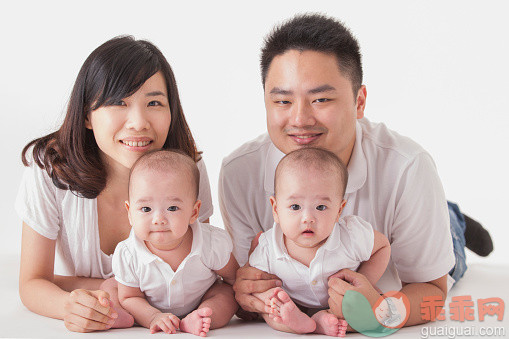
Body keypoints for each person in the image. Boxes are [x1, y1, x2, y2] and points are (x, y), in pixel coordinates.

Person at [219, 13, 493, 327]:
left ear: (359, 101)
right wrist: (249, 295)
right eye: (282, 101)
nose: (300, 119)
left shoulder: (408, 167)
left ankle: (452, 218)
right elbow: (247, 287)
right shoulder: (238, 173)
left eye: (320, 98)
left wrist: (380, 311)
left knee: (450, 245)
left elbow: (432, 292)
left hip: (410, 250)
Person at [16, 36, 233, 333]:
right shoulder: (51, 170)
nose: (139, 122)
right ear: (87, 115)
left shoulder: (187, 168)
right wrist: (72, 306)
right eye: (118, 102)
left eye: (154, 102)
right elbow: (32, 282)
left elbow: (200, 267)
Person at [249, 148, 390, 336]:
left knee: (358, 314)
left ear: (339, 210)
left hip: (339, 302)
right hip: (294, 304)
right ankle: (299, 323)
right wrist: (268, 298)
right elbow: (253, 282)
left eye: (321, 207)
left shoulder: (351, 235)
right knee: (270, 310)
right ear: (276, 209)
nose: (308, 218)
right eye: (295, 207)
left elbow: (382, 246)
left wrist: (365, 281)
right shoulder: (268, 245)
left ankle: (325, 319)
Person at [113, 150, 238, 336]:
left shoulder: (211, 243)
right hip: (149, 306)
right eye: (146, 208)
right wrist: (153, 316)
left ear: (194, 212)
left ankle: (200, 319)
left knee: (226, 295)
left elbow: (233, 278)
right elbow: (130, 296)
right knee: (112, 290)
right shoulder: (128, 253)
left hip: (203, 298)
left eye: (172, 208)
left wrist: (244, 302)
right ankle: (131, 319)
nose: (158, 219)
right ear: (130, 212)